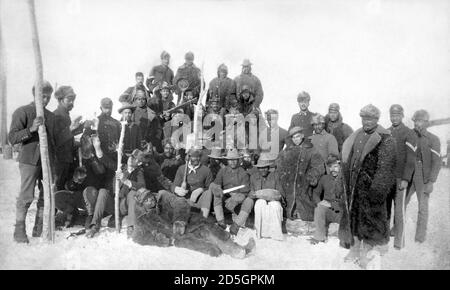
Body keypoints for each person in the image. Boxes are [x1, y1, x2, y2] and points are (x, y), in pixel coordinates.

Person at [339, 104, 396, 268]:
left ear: (377, 120)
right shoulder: (356, 136)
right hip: (355, 186)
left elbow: (385, 169)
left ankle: (367, 250)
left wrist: (377, 191)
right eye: (364, 118)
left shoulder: (386, 139)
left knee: (371, 220)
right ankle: (355, 248)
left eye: (370, 118)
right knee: (354, 218)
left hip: (372, 188)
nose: (367, 121)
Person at [131, 189, 255, 258]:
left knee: (208, 228)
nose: (150, 200)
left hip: (186, 222)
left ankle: (236, 249)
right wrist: (159, 240)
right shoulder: (142, 218)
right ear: (141, 204)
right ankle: (229, 250)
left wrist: (179, 220)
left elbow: (180, 202)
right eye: (146, 200)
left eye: (150, 195)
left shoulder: (162, 195)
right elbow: (138, 237)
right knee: (204, 241)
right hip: (178, 237)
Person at [8, 81, 57, 242]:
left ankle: (40, 229)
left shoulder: (51, 116)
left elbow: (54, 141)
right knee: (27, 195)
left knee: (46, 195)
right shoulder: (23, 112)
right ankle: (19, 232)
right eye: (42, 96)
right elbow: (12, 138)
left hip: (46, 163)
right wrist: (31, 129)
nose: (45, 100)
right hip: (29, 161)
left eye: (48, 97)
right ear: (34, 95)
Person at [405, 109, 441, 244]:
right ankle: (397, 229)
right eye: (415, 121)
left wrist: (431, 181)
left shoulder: (433, 139)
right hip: (409, 173)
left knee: (423, 207)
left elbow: (437, 162)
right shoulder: (409, 136)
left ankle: (420, 236)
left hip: (423, 175)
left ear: (426, 122)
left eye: (420, 121)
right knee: (402, 203)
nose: (417, 124)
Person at [277, 126, 325, 221]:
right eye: (294, 137)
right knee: (288, 203)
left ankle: (302, 216)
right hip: (289, 183)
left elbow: (318, 166)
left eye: (298, 136)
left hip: (304, 183)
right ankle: (291, 215)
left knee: (305, 205)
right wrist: (283, 176)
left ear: (302, 136)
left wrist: (310, 177)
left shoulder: (311, 150)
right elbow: (279, 164)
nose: (296, 139)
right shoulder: (286, 151)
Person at [386, 104, 417, 249]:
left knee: (399, 212)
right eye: (392, 115)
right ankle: (384, 237)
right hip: (387, 179)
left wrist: (406, 179)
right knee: (385, 209)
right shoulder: (386, 132)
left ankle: (399, 242)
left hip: (400, 179)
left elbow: (411, 160)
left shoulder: (409, 133)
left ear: (402, 116)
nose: (394, 118)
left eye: (397, 115)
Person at [209, 149, 252, 235]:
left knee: (249, 201)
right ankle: (221, 222)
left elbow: (245, 191)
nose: (232, 162)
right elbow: (215, 184)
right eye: (230, 160)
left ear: (238, 160)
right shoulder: (223, 171)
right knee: (217, 195)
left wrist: (237, 198)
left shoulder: (243, 173)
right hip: (226, 198)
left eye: (235, 159)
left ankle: (236, 226)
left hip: (238, 201)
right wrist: (217, 188)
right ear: (227, 160)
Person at [53, 85, 84, 191]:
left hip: (67, 160)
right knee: (57, 189)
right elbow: (55, 141)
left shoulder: (66, 115)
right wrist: (71, 129)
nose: (72, 103)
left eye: (73, 100)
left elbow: (68, 138)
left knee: (64, 189)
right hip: (59, 161)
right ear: (60, 100)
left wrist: (83, 127)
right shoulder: (56, 116)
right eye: (69, 100)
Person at [309, 156, 343, 244]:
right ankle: (319, 237)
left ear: (341, 166)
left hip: (341, 212)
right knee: (319, 208)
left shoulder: (345, 180)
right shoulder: (325, 178)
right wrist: (319, 202)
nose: (332, 169)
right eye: (330, 167)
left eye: (335, 166)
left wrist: (332, 205)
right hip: (328, 212)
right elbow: (316, 193)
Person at [251, 152, 284, 241]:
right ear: (258, 168)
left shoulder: (275, 176)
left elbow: (280, 193)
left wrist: (272, 196)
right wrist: (252, 194)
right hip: (261, 202)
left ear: (269, 167)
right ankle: (259, 233)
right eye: (261, 168)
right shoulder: (254, 177)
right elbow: (252, 191)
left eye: (265, 167)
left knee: (274, 205)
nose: (263, 170)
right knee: (259, 203)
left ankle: (276, 235)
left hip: (273, 201)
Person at [171, 149, 214, 218]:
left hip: (198, 202)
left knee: (208, 193)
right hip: (183, 201)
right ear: (188, 157)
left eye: (198, 156)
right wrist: (177, 189)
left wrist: (201, 190)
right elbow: (173, 186)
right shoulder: (181, 169)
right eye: (194, 156)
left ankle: (203, 219)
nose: (196, 158)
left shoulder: (206, 170)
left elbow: (210, 187)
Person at [117, 150, 146, 238]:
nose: (130, 159)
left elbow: (142, 186)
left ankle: (131, 226)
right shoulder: (121, 168)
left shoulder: (139, 172)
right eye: (130, 156)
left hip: (125, 204)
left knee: (133, 193)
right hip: (115, 202)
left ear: (139, 163)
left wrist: (126, 181)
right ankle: (93, 225)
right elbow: (107, 162)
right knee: (103, 192)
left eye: (134, 158)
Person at [132, 88, 162, 152]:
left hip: (148, 145)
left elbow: (158, 130)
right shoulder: (130, 112)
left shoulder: (152, 114)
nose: (141, 101)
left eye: (143, 99)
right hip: (134, 144)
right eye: (139, 99)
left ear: (146, 100)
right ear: (135, 100)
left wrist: (153, 143)